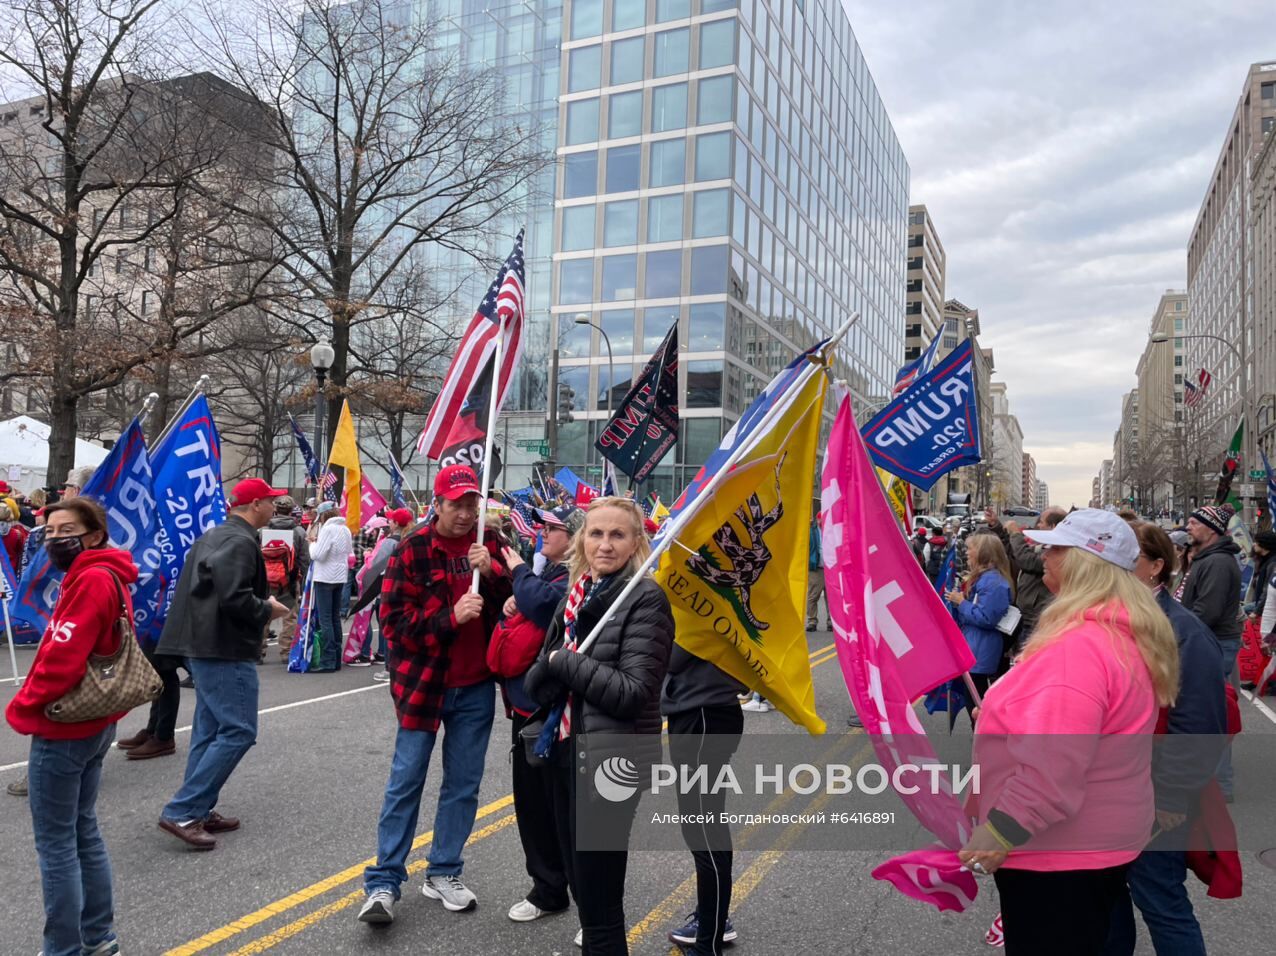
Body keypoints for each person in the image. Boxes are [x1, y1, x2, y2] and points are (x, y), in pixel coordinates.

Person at [957, 509, 1179, 955]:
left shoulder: (1078, 647)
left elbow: (1052, 768)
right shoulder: (1119, 631)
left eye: (1055, 547)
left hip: (1059, 851)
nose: (1044, 554)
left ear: (1081, 561)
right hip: (1100, 840)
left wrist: (1000, 831)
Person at [358, 464, 512, 925]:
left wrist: (498, 573)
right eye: (456, 504)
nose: (465, 514)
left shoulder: (491, 544)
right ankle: (384, 882)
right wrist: (451, 617)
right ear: (437, 505)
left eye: (471, 505)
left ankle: (443, 871)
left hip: (477, 685)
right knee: (405, 782)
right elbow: (394, 628)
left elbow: (515, 606)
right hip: (424, 685)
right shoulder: (411, 550)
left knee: (463, 785)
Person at [524, 497, 674, 954]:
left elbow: (630, 693)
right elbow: (536, 679)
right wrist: (554, 664)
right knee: (582, 892)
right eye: (595, 533)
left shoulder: (645, 598)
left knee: (601, 903)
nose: (604, 545)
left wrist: (563, 662)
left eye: (617, 535)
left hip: (612, 762)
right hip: (565, 748)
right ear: (581, 540)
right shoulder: (576, 593)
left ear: (635, 543)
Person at [4, 496, 138, 956]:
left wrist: (24, 706)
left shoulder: (90, 581)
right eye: (51, 532)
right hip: (95, 719)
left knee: (58, 844)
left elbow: (63, 656)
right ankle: (98, 937)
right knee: (82, 830)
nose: (57, 539)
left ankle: (64, 948)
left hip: (66, 725)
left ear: (95, 535)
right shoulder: (103, 574)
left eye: (68, 531)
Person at [1104, 523, 1226, 956]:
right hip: (1112, 795)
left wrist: (1172, 797)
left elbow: (1199, 725)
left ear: (1157, 566)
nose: (1114, 568)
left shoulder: (1182, 632)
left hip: (1156, 797)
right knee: (1108, 897)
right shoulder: (1114, 621)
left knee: (1160, 900)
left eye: (1128, 559)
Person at [155, 478, 290, 850]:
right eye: (272, 502)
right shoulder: (240, 540)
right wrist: (268, 608)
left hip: (203, 644)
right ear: (256, 504)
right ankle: (184, 810)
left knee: (210, 730)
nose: (275, 508)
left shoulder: (216, 536)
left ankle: (199, 806)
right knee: (239, 730)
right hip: (222, 647)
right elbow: (235, 597)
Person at [497, 503, 583, 924]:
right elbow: (527, 605)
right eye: (543, 527)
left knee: (570, 811)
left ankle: (593, 908)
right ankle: (548, 888)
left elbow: (547, 603)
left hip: (562, 711)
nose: (542, 533)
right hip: (526, 709)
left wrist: (517, 573)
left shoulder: (579, 576)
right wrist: (511, 603)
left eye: (552, 527)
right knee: (532, 807)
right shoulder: (547, 571)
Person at [662, 648, 746, 954]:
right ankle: (713, 921)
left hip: (702, 713)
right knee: (708, 826)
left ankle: (708, 941)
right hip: (707, 710)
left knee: (703, 830)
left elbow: (673, 654)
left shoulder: (706, 602)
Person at [1179, 504, 1241, 799]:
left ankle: (1220, 785)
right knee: (1210, 712)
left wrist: (1176, 633)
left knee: (1212, 714)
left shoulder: (1216, 563)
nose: (1188, 526)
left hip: (1214, 643)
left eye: (1194, 522)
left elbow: (1207, 611)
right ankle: (1216, 783)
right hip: (1210, 641)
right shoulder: (1207, 559)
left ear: (1212, 529)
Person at [944, 531, 1013, 712]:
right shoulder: (987, 579)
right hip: (975, 647)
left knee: (978, 708)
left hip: (981, 651)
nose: (967, 552)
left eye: (970, 549)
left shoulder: (993, 582)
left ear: (983, 553)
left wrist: (961, 603)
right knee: (974, 704)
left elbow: (987, 618)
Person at [988, 506, 1066, 642]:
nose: (1038, 526)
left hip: (1037, 620)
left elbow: (1026, 560)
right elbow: (1014, 553)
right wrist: (997, 526)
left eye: (1041, 522)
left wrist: (1015, 534)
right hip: (1026, 615)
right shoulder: (1044, 547)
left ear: (1053, 526)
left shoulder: (1059, 553)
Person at [263, 494, 310, 664]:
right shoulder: (298, 531)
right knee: (289, 616)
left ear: (276, 509)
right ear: (291, 510)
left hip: (266, 579)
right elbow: (304, 558)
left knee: (264, 614)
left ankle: (258, 652)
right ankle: (285, 652)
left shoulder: (264, 530)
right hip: (289, 579)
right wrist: (304, 577)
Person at [309, 501, 353, 673]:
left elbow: (318, 555)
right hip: (339, 576)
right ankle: (335, 658)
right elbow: (348, 551)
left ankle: (327, 660)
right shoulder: (345, 529)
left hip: (325, 576)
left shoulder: (327, 529)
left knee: (325, 619)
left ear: (323, 516)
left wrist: (312, 544)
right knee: (334, 618)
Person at [804, 510, 827, 631]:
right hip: (815, 567)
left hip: (830, 568)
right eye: (821, 520)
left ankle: (831, 622)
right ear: (817, 520)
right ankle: (812, 621)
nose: (823, 523)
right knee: (813, 595)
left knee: (832, 597)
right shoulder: (810, 531)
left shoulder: (831, 530)